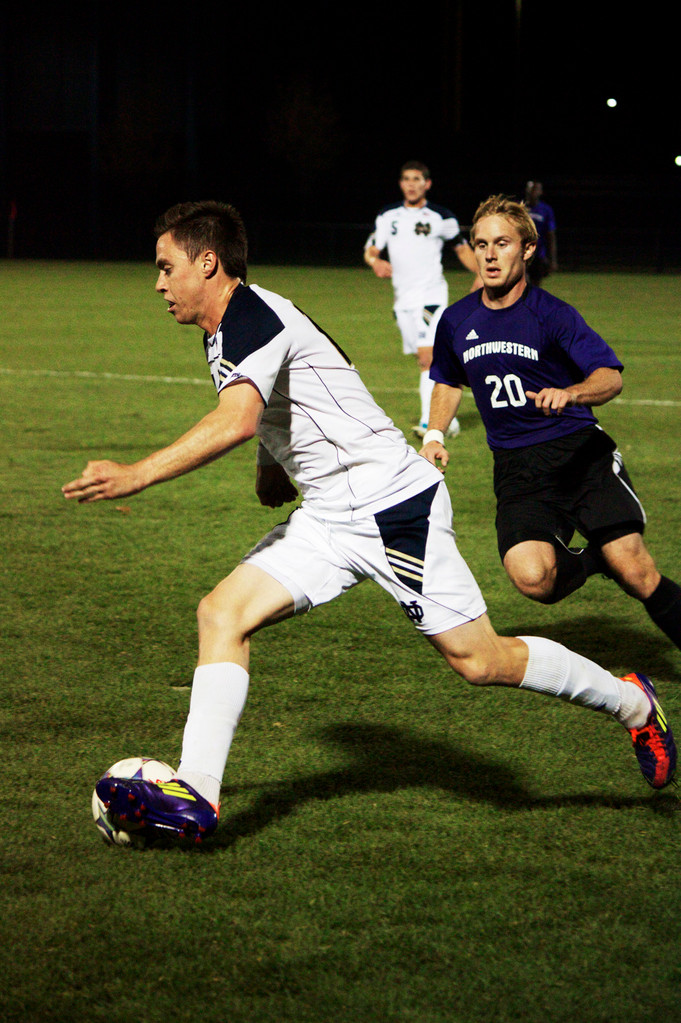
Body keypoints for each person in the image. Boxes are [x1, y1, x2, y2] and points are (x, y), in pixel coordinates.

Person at [62, 200, 675, 848]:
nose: (159, 283)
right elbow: (304, 381)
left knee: (479, 660)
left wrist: (137, 473)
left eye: (166, 267)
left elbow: (237, 418)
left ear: (207, 262)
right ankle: (197, 793)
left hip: (394, 507)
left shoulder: (252, 314)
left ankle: (632, 702)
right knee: (221, 613)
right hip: (329, 515)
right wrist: (272, 466)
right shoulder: (226, 326)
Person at [421, 194, 681, 658]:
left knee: (637, 571)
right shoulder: (457, 320)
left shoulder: (552, 313)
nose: (489, 255)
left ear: (527, 249)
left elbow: (610, 376)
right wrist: (435, 434)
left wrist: (573, 393)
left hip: (579, 454)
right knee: (533, 579)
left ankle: (618, 561)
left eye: (502, 243)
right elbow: (447, 379)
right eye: (481, 244)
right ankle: (598, 558)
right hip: (517, 468)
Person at [364, 161, 481, 438]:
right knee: (424, 360)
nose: (411, 184)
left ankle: (431, 423)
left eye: (417, 179)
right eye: (406, 179)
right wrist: (375, 262)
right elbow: (372, 249)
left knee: (429, 357)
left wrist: (481, 274)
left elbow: (462, 249)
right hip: (402, 301)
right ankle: (449, 421)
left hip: (431, 296)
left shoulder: (441, 217)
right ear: (401, 183)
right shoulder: (388, 215)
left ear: (427, 184)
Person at [524, 180, 558, 285]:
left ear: (540, 192)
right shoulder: (520, 208)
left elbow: (550, 235)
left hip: (538, 254)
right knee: (522, 283)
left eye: (536, 189)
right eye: (531, 189)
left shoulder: (545, 210)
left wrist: (552, 259)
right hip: (521, 253)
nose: (533, 192)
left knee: (535, 285)